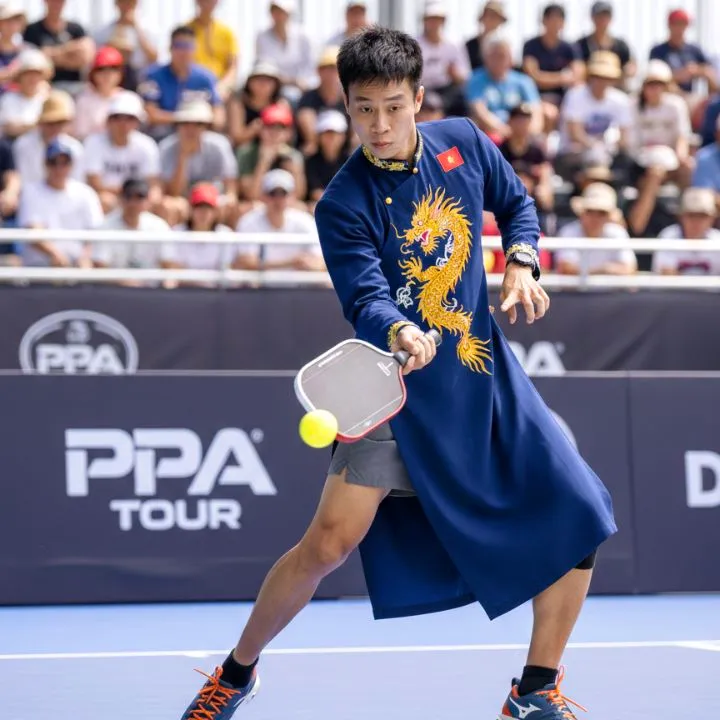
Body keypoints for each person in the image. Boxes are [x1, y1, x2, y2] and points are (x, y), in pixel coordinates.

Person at [178, 26, 616, 720]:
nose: (378, 125)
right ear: (347, 106)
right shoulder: (343, 202)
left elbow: (517, 206)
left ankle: (534, 688)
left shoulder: (463, 142)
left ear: (417, 98)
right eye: (363, 109)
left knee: (580, 513)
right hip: (392, 390)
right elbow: (365, 295)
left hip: (479, 375)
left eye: (391, 107)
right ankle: (236, 672)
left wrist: (522, 260)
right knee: (327, 544)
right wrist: (401, 329)